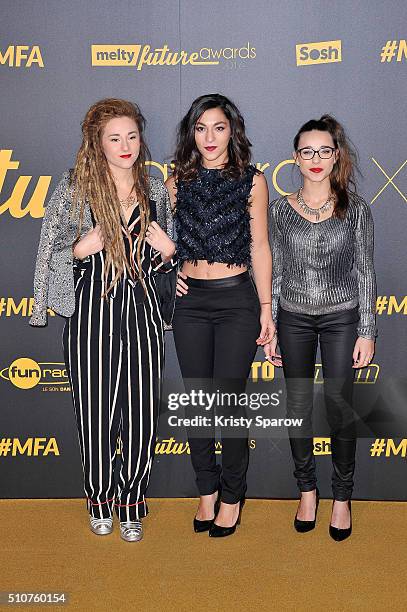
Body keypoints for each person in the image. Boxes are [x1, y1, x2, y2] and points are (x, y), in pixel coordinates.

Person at [30, 98, 177, 542]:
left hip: (143, 312)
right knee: (94, 414)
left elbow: (166, 262)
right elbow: (47, 255)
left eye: (132, 136)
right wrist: (78, 249)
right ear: (97, 143)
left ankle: (131, 504)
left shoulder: (154, 189)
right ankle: (99, 500)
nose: (125, 145)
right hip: (91, 312)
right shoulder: (74, 189)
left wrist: (169, 255)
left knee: (140, 413)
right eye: (115, 138)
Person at [165, 93, 274, 538]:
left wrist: (267, 308)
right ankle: (205, 489)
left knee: (229, 405)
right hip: (190, 303)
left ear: (233, 131)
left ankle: (232, 496)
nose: (209, 137)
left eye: (219, 127)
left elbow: (261, 247)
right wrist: (168, 274)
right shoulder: (175, 181)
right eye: (200, 128)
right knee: (197, 405)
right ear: (191, 133)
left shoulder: (253, 181)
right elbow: (162, 241)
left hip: (236, 302)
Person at [266, 115, 377, 541]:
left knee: (339, 409)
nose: (315, 159)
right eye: (307, 151)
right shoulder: (279, 210)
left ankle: (342, 498)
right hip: (292, 317)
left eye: (324, 151)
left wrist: (367, 329)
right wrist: (272, 326)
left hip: (342, 318)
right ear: (295, 157)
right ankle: (307, 491)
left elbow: (365, 271)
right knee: (297, 408)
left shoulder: (356, 210)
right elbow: (273, 272)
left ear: (336, 156)